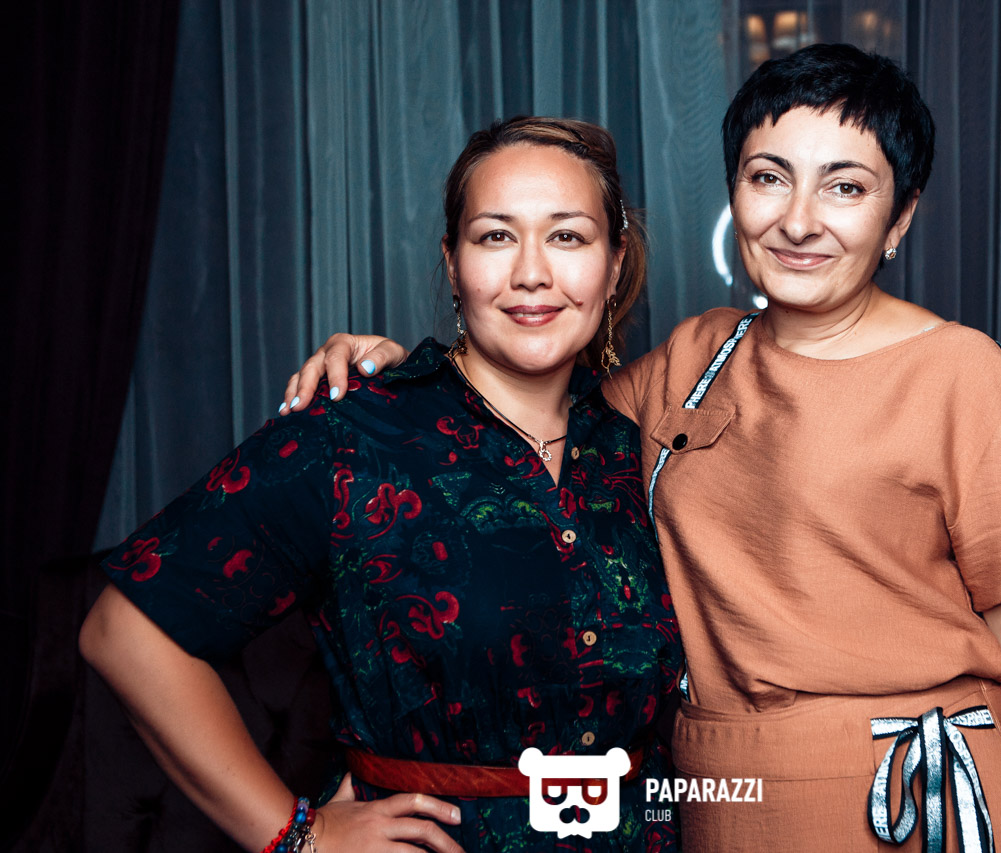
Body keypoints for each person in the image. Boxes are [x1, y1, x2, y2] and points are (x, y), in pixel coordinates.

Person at [290, 44, 1001, 853]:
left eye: (845, 187)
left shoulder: (966, 376)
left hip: (918, 804)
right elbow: (518, 410)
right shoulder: (695, 358)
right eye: (769, 178)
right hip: (725, 804)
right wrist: (401, 374)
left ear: (900, 217)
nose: (798, 220)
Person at [80, 117, 682, 853]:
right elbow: (125, 633)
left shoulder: (641, 445)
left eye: (567, 236)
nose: (532, 272)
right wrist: (298, 837)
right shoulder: (350, 436)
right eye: (496, 235)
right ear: (453, 264)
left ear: (614, 266)